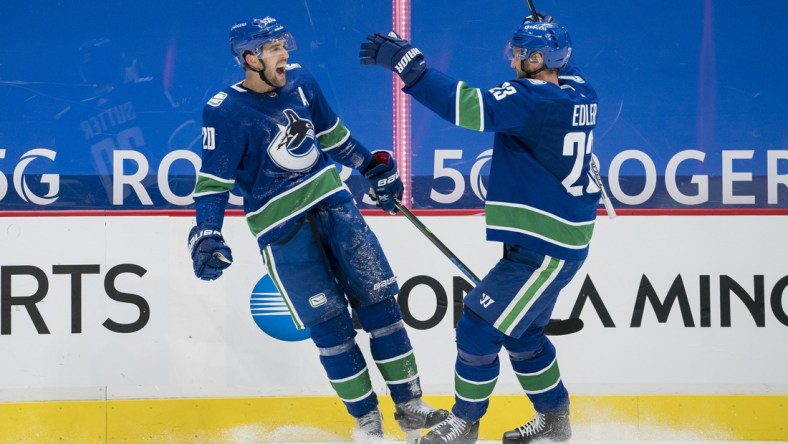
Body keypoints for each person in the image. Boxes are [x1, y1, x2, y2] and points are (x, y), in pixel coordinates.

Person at [188, 16, 447, 443]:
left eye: (283, 45)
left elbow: (333, 136)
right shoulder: (225, 111)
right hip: (282, 230)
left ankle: (410, 406)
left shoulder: (302, 82)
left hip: (337, 206)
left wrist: (370, 166)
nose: (284, 54)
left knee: (382, 305)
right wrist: (207, 231)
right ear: (249, 58)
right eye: (272, 49)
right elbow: (213, 182)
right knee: (330, 327)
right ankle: (367, 420)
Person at [360, 14, 600, 444]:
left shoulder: (534, 101)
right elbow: (566, 63)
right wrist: (547, 29)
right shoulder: (580, 91)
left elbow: (470, 107)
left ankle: (465, 423)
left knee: (477, 326)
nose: (513, 63)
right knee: (524, 333)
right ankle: (554, 420)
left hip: (545, 247)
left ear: (541, 58)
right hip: (554, 240)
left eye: (522, 55)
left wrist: (411, 67)